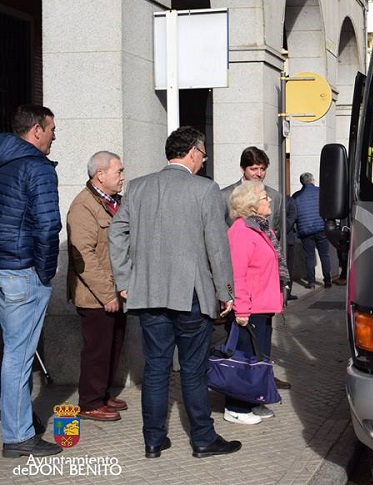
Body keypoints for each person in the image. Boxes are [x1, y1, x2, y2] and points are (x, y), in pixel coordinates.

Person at [108, 126, 241, 459]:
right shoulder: (205, 189)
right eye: (203, 154)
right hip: (192, 294)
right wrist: (227, 291)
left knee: (155, 368)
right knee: (193, 369)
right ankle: (202, 439)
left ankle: (153, 441)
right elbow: (217, 247)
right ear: (194, 152)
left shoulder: (137, 187)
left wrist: (124, 280)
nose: (203, 160)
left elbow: (116, 233)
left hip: (149, 292)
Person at [0, 105, 63, 458]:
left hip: (5, 268)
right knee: (18, 357)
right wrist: (44, 272)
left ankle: (19, 420)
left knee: (11, 354)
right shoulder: (36, 167)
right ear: (37, 130)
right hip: (21, 271)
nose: (55, 135)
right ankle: (18, 436)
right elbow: (47, 226)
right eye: (52, 129)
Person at [67, 151, 128, 422]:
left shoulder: (116, 203)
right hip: (96, 296)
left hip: (117, 291)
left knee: (113, 345)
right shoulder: (83, 207)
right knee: (97, 349)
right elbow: (84, 256)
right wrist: (107, 294)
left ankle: (102, 394)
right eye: (118, 171)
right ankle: (90, 401)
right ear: (100, 175)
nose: (122, 177)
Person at [224, 181, 288, 424]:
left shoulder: (260, 228)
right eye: (264, 197)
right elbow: (237, 275)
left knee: (258, 357)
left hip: (263, 306)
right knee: (244, 358)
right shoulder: (241, 231)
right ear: (251, 205)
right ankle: (236, 407)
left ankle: (253, 400)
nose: (269, 199)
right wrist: (242, 309)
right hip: (249, 309)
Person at [221, 147, 284, 239]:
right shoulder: (225, 196)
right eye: (254, 169)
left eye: (262, 169)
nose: (259, 173)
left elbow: (276, 231)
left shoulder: (275, 196)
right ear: (242, 169)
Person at [292, 173, 332, 289]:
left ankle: (311, 282)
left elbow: (295, 215)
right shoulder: (321, 192)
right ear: (312, 180)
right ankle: (327, 280)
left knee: (309, 256)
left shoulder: (296, 196)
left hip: (305, 231)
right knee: (324, 255)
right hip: (320, 228)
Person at [284, 194, 299, 301]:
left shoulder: (289, 200)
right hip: (283, 238)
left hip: (288, 239)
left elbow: (293, 216)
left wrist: (282, 228)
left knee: (289, 267)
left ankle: (287, 292)